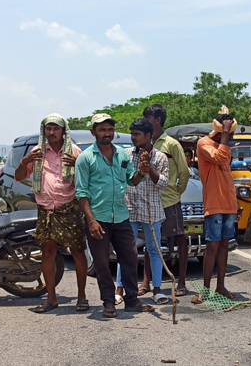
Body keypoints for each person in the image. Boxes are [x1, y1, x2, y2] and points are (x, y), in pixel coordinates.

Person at [75, 113, 153, 318]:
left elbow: (131, 181)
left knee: (129, 258)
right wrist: (90, 220)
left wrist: (142, 172)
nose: (107, 133)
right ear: (93, 132)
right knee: (101, 263)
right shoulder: (85, 158)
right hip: (97, 219)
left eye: (110, 129)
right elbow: (81, 193)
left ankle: (132, 300)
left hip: (120, 216)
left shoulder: (122, 155)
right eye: (102, 130)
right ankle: (108, 302)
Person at [14, 114, 89, 313]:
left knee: (78, 252)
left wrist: (76, 165)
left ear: (64, 131)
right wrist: (25, 161)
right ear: (44, 131)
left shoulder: (74, 151)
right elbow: (20, 177)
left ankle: (82, 297)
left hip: (69, 209)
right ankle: (51, 298)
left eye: (56, 129)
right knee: (48, 252)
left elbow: (87, 179)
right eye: (49, 129)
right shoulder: (37, 152)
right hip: (45, 210)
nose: (52, 132)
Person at [116, 118, 169, 305]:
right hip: (129, 209)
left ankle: (157, 289)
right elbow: (122, 178)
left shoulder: (161, 157)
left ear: (148, 135)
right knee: (125, 251)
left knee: (154, 250)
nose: (133, 138)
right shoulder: (126, 155)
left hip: (152, 210)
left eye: (137, 134)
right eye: (132, 134)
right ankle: (120, 289)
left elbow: (163, 183)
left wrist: (150, 167)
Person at [193, 106, 240, 303]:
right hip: (214, 203)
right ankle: (205, 289)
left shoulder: (225, 144)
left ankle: (220, 286)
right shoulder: (204, 143)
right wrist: (225, 136)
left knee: (223, 245)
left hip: (229, 202)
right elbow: (220, 158)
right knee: (211, 246)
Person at [143, 104, 191, 297]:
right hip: (149, 200)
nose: (146, 121)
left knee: (179, 238)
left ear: (158, 120)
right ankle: (146, 282)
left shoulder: (171, 144)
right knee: (149, 241)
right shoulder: (144, 142)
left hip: (169, 200)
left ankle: (181, 282)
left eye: (148, 118)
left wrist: (176, 190)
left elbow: (184, 172)